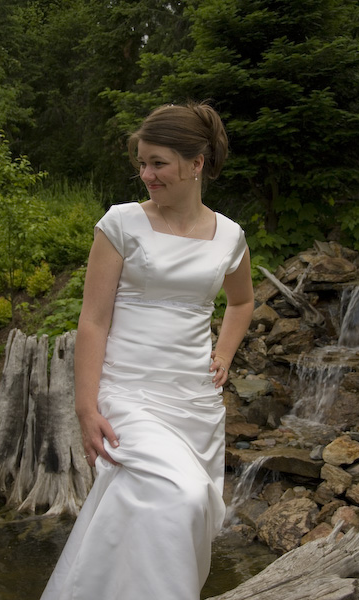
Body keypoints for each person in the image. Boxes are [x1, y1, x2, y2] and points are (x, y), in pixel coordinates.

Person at [40, 102, 254, 600]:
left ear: (196, 163)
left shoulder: (229, 236)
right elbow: (93, 320)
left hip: (194, 401)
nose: (146, 175)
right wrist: (85, 407)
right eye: (142, 163)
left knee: (169, 512)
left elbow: (242, 301)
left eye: (158, 163)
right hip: (128, 392)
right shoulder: (121, 224)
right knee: (182, 493)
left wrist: (224, 354)